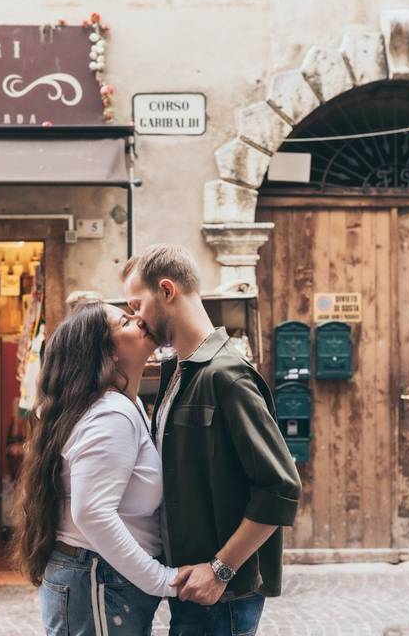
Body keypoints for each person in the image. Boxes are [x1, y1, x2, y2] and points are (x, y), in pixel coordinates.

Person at [122, 243, 302, 636]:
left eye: (137, 305)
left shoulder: (227, 376)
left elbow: (281, 486)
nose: (136, 319)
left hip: (221, 593)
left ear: (167, 291)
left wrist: (221, 568)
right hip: (190, 587)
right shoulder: (177, 371)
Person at [12, 301, 180, 636]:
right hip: (98, 581)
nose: (139, 319)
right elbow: (91, 511)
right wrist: (162, 580)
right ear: (109, 352)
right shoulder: (111, 413)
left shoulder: (122, 406)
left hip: (102, 580)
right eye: (125, 321)